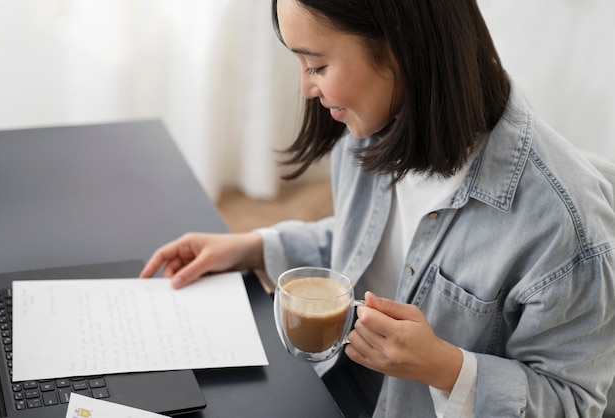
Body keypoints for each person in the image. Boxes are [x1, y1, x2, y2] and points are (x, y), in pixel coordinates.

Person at [140, 0, 615, 416]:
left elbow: (572, 402)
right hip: (337, 384)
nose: (306, 88)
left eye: (317, 65)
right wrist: (253, 246)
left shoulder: (565, 224)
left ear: (399, 48)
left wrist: (444, 367)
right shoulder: (373, 125)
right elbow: (374, 249)